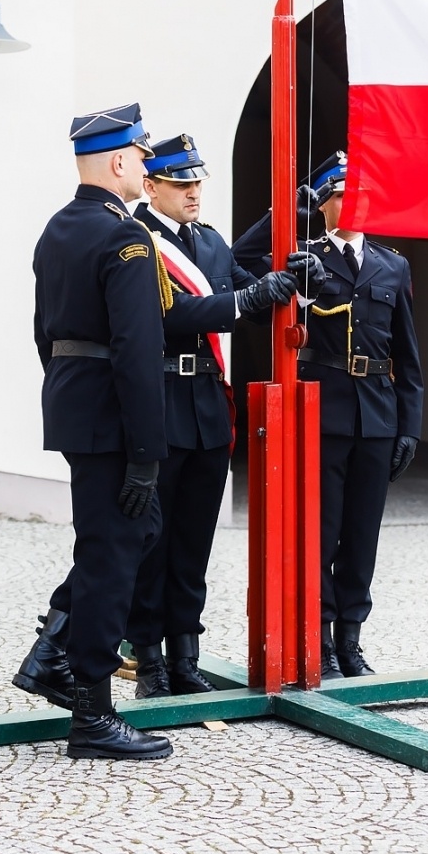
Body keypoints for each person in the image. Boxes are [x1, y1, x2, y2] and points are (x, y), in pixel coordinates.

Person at [13, 103, 174, 761]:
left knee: (127, 535)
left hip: (77, 406)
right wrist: (147, 453)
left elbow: (42, 332)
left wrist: (71, 394)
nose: (145, 167)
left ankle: (53, 651)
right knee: (112, 555)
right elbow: (138, 352)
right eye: (139, 157)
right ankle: (93, 714)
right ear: (117, 161)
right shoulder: (125, 237)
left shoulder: (58, 228)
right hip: (111, 415)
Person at [232, 151, 424, 679]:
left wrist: (410, 425)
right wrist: (285, 216)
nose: (353, 203)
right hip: (324, 415)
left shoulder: (392, 265)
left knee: (362, 535)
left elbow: (408, 354)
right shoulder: (303, 257)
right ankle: (318, 641)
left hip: (377, 416)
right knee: (321, 532)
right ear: (323, 204)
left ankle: (350, 641)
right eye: (340, 194)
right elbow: (239, 259)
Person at [125, 134, 304, 697]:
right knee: (153, 543)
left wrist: (293, 282)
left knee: (194, 542)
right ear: (150, 186)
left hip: (206, 405)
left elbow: (251, 292)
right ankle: (149, 662)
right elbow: (173, 312)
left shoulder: (208, 241)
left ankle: (185, 657)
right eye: (180, 183)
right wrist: (247, 300)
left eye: (197, 182)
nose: (194, 192)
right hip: (161, 400)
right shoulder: (137, 239)